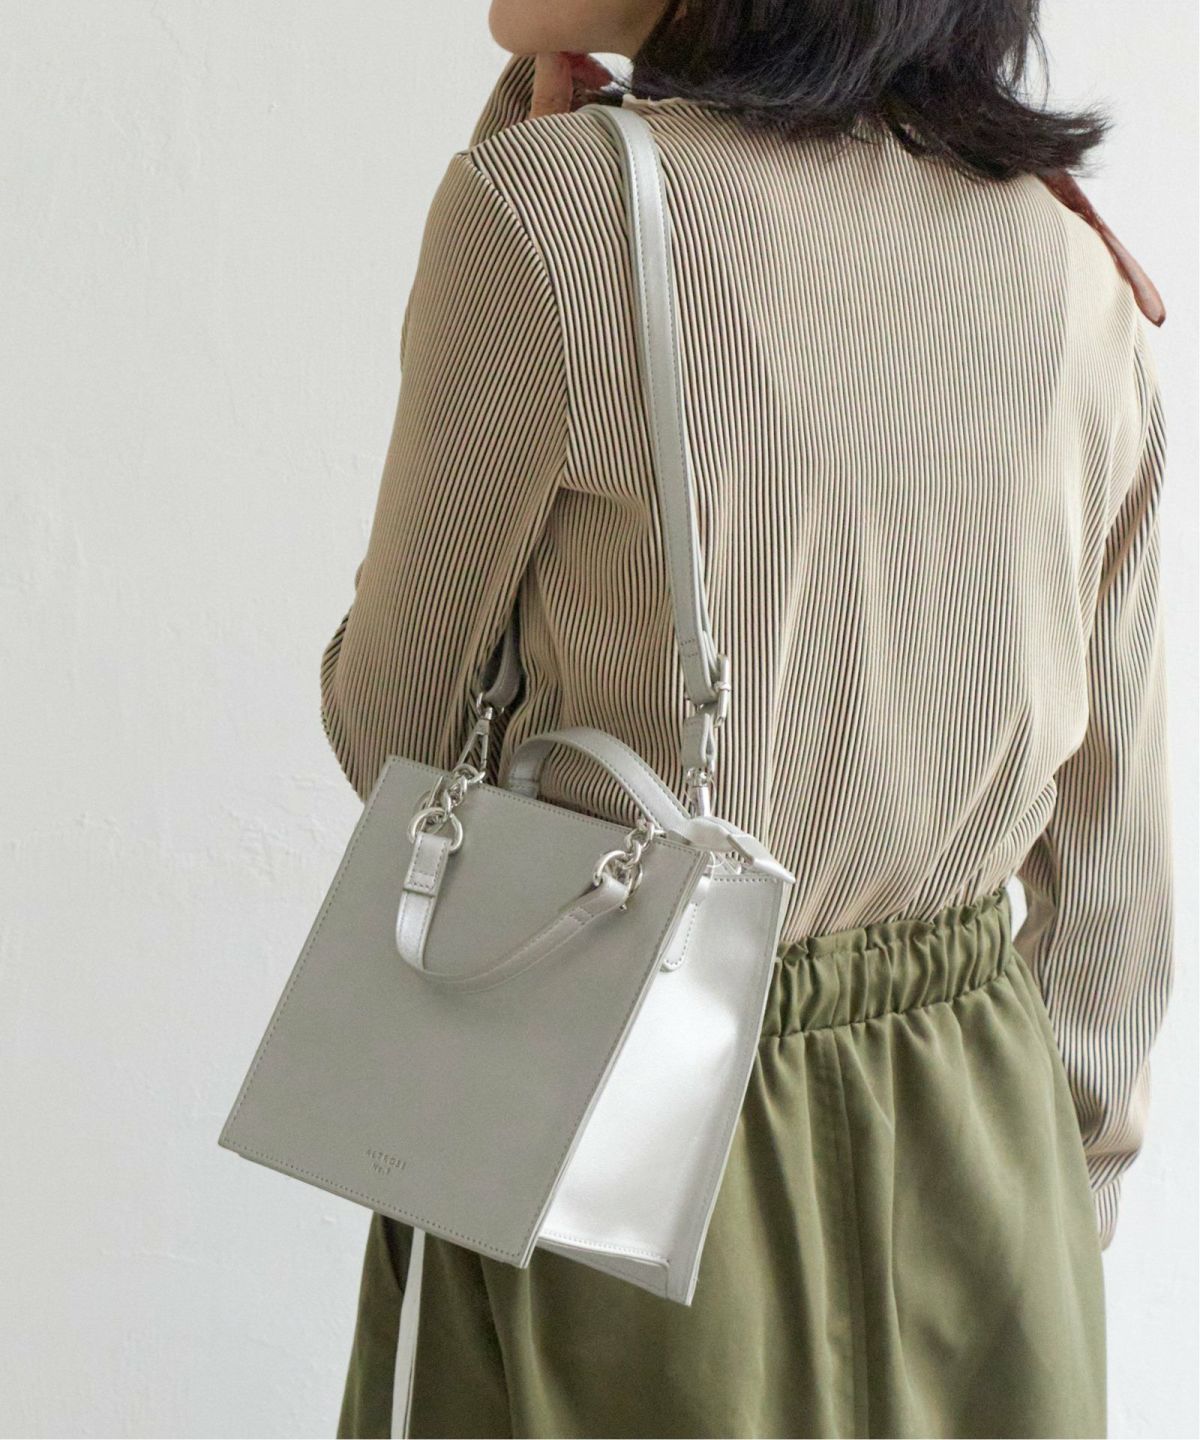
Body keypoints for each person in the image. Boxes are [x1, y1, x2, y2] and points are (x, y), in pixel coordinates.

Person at [321, 3, 1174, 1436]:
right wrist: (1049, 1204)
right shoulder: (1071, 264)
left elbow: (398, 742)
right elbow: (1112, 883)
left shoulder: (545, 215)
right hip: (986, 1156)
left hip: (617, 1137)